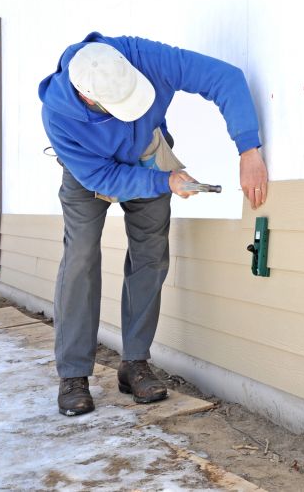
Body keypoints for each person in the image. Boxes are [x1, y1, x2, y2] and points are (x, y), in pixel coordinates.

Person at [38, 32, 267, 416]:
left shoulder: (145, 56)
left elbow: (225, 77)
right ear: (88, 98)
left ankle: (134, 363)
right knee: (80, 258)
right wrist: (165, 182)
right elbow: (103, 178)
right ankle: (74, 374)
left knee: (151, 256)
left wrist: (249, 149)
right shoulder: (58, 115)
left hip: (147, 151)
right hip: (89, 174)